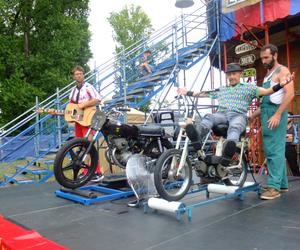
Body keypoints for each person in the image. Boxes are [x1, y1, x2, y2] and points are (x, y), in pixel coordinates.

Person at [178, 62, 294, 168]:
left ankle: (229, 149)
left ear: (240, 74)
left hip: (238, 115)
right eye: (229, 75)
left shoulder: (249, 88)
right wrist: (186, 92)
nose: (231, 77)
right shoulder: (222, 89)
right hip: (222, 114)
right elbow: (202, 93)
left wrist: (281, 85)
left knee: (235, 126)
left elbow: (267, 91)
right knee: (209, 116)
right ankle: (198, 133)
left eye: (234, 74)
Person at [249, 44, 295, 200]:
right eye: (262, 58)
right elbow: (266, 101)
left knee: (274, 150)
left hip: (275, 114)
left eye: (266, 57)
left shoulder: (282, 71)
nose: (263, 61)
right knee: (273, 150)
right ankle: (281, 184)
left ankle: (273, 188)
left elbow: (290, 94)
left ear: (275, 55)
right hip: (267, 113)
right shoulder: (269, 73)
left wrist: (277, 114)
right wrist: (253, 115)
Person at [69, 65, 103, 181]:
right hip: (79, 120)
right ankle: (85, 171)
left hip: (88, 119)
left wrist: (84, 104)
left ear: (83, 75)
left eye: (80, 74)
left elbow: (97, 99)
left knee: (89, 145)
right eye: (76, 74)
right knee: (80, 146)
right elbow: (72, 106)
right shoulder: (73, 91)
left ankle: (97, 172)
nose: (78, 76)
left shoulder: (88, 87)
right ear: (74, 77)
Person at [285, 112, 299, 176]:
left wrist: (285, 137)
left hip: (290, 148)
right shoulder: (281, 126)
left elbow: (296, 139)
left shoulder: (295, 126)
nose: (287, 118)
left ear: (292, 118)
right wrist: (289, 136)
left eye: (288, 116)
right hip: (281, 147)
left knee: (294, 167)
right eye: (286, 116)